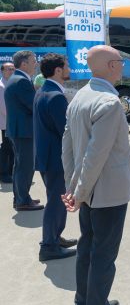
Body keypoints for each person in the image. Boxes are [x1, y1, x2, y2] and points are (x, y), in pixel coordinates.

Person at [61, 45, 130, 305]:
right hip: (106, 193)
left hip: (87, 192)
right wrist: (78, 192)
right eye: (121, 61)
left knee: (88, 250)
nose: (123, 65)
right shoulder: (109, 102)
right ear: (111, 66)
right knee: (103, 256)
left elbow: (67, 146)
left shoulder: (79, 96)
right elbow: (95, 155)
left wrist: (72, 188)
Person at [33, 53, 78, 261]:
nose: (69, 68)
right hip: (56, 159)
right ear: (58, 70)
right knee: (56, 201)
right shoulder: (56, 96)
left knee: (57, 199)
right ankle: (48, 246)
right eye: (67, 65)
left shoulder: (44, 91)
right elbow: (66, 132)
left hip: (46, 156)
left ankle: (55, 237)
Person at [5, 50, 43, 211]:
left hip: (19, 131)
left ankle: (21, 198)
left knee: (20, 166)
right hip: (23, 132)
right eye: (33, 60)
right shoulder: (21, 81)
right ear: (24, 63)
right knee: (25, 167)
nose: (36, 63)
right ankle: (22, 201)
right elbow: (34, 106)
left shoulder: (17, 79)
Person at [0, 62, 15, 184]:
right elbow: (3, 107)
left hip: (12, 121)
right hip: (6, 122)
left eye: (13, 69)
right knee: (6, 148)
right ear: (2, 71)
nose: (11, 71)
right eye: (8, 69)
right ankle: (4, 173)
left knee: (11, 148)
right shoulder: (1, 86)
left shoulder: (11, 83)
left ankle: (10, 172)